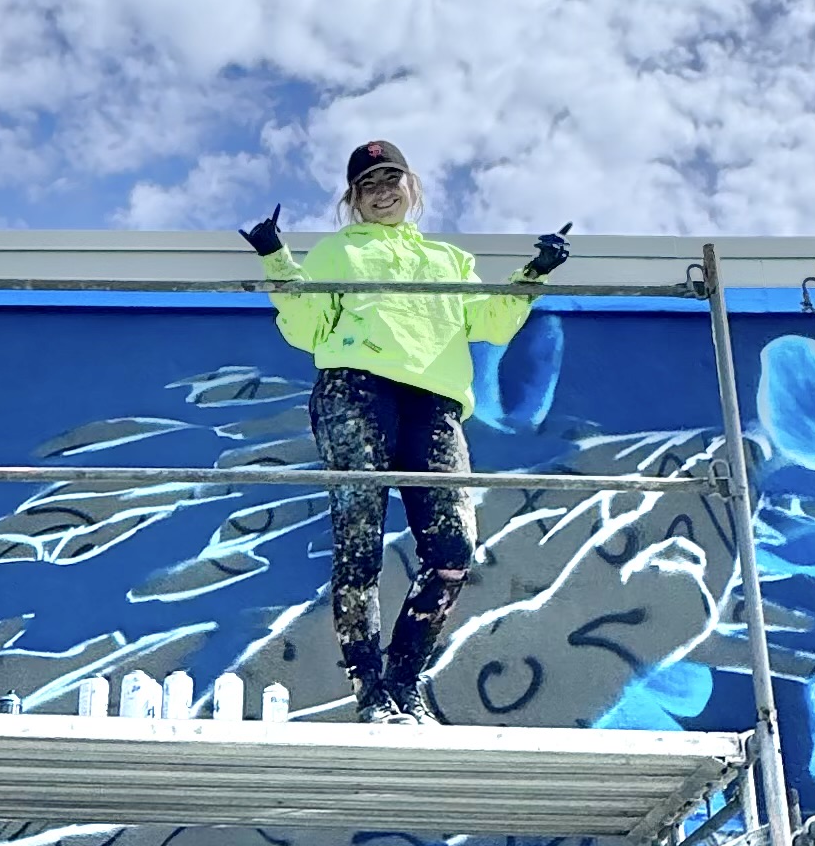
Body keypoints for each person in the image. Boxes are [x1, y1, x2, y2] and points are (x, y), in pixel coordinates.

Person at [240, 143, 571, 721]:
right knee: (360, 539)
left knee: (453, 550)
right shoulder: (338, 251)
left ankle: (402, 681)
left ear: (412, 186)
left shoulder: (449, 260)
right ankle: (368, 691)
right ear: (352, 200)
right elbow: (305, 327)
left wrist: (535, 272)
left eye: (391, 178)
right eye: (367, 184)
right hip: (354, 389)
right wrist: (276, 259)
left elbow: (492, 319)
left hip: (435, 404)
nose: (382, 190)